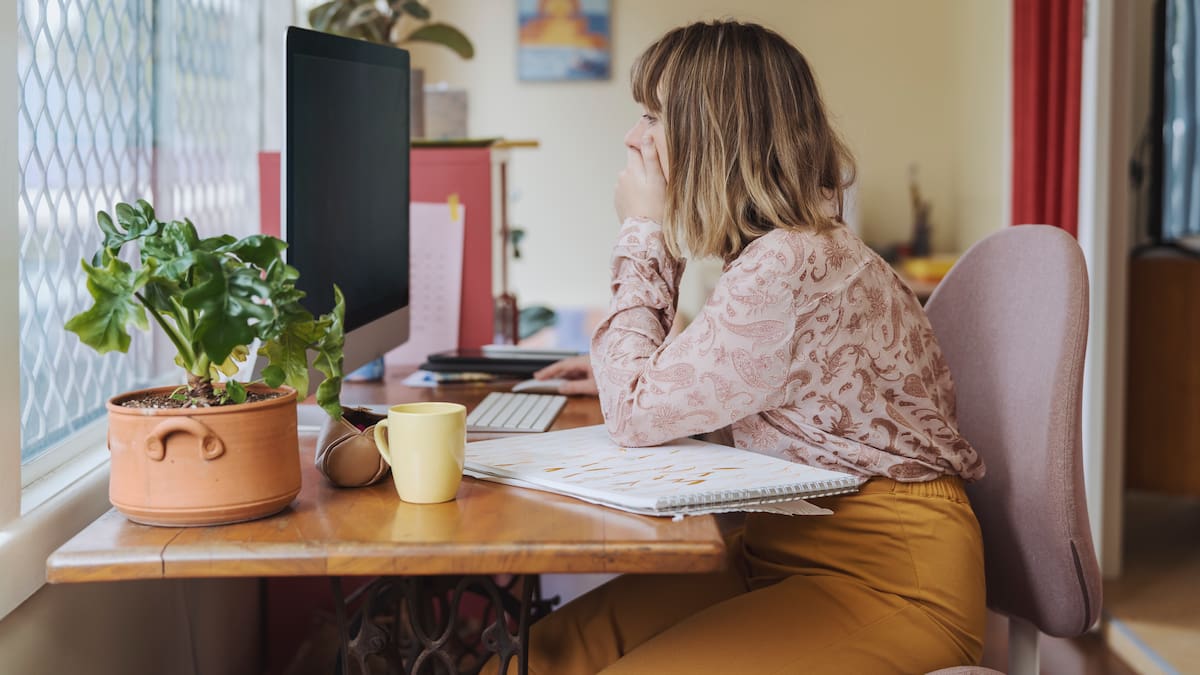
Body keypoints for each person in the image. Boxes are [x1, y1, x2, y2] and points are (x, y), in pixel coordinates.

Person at [500, 20, 987, 674]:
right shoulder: (781, 254)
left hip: (893, 579)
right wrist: (649, 380)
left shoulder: (787, 268)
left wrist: (646, 230)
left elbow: (631, 413)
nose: (633, 137)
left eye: (652, 117)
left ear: (714, 140)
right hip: (783, 553)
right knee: (549, 652)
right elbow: (719, 394)